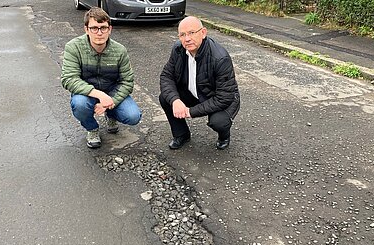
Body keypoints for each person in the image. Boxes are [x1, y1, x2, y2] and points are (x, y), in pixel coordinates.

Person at [61, 7, 142, 149]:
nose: (99, 33)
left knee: (133, 115)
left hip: (112, 90)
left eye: (103, 28)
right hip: (87, 92)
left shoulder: (119, 50)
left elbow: (127, 82)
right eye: (94, 28)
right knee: (79, 105)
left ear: (110, 29)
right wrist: (99, 95)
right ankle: (92, 129)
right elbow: (69, 78)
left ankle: (111, 114)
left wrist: (111, 101)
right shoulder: (73, 47)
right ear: (86, 29)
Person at [159, 16, 240, 150]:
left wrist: (190, 111)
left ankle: (224, 135)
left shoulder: (220, 58)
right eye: (182, 35)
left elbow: (223, 97)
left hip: (220, 97)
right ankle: (182, 134)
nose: (187, 39)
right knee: (166, 97)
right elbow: (167, 75)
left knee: (219, 122)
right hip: (194, 92)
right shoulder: (178, 50)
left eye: (191, 33)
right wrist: (175, 101)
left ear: (203, 33)